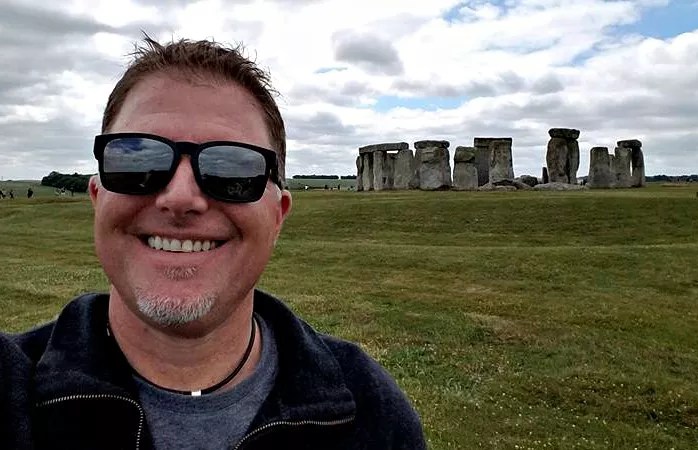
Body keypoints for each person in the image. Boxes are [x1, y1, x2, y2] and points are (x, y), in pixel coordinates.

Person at [0, 36, 425, 449]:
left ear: (278, 216)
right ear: (97, 198)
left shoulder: (374, 416)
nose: (180, 198)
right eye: (138, 159)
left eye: (232, 169)